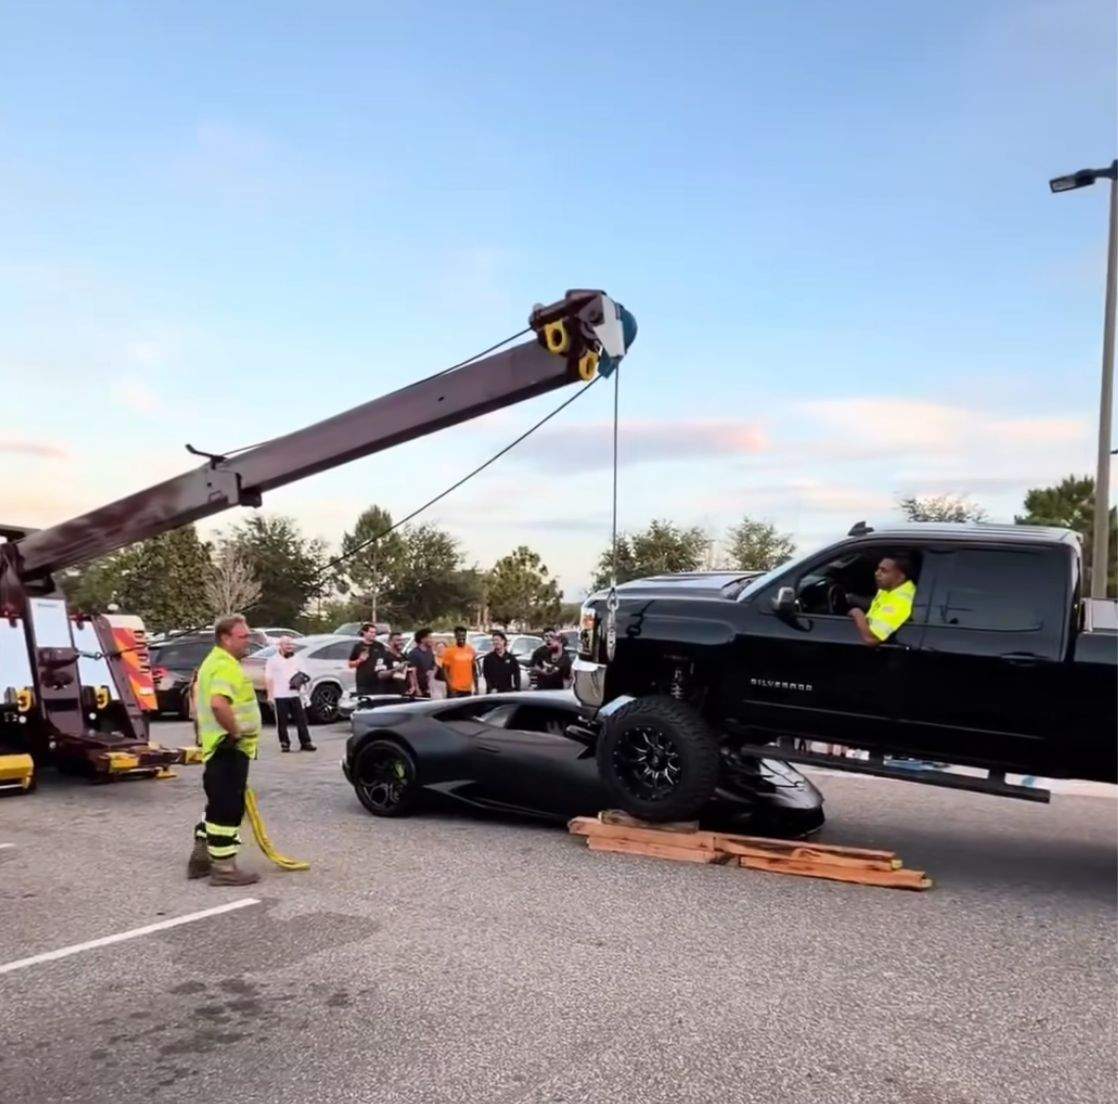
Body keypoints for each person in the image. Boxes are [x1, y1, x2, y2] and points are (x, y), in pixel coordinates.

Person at [187, 614, 263, 887]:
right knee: (228, 808)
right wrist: (236, 732)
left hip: (218, 747)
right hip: (229, 747)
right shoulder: (225, 665)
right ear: (226, 638)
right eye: (244, 637)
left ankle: (202, 854)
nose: (249, 641)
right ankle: (224, 869)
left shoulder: (214, 662)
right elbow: (219, 704)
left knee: (217, 800)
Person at [848, 555, 917, 647]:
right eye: (878, 569)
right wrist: (851, 598)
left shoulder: (900, 602)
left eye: (884, 571)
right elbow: (876, 603)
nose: (877, 573)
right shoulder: (890, 589)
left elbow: (872, 639)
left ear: (900, 577)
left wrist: (857, 613)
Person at [265, 636, 315, 753]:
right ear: (280, 645)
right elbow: (268, 678)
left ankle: (306, 742)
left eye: (291, 644)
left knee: (301, 720)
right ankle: (284, 743)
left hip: (295, 695)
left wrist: (299, 680)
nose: (290, 646)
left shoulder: (298, 659)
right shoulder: (272, 660)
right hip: (279, 695)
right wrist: (270, 695)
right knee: (282, 721)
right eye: (287, 644)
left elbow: (305, 674)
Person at [348, 623, 385, 699]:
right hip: (363, 682)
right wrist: (359, 660)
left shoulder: (379, 646)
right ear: (364, 633)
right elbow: (350, 664)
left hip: (377, 682)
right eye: (371, 632)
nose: (373, 634)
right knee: (364, 703)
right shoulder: (358, 646)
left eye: (375, 632)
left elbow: (385, 661)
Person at [441, 626, 478, 698]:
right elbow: (444, 671)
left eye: (463, 635)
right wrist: (450, 688)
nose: (461, 638)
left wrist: (476, 687)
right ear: (455, 636)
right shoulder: (449, 651)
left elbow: (474, 670)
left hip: (467, 689)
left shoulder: (471, 650)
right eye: (459, 636)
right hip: (454, 690)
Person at [407, 628, 437, 699]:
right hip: (419, 690)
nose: (432, 640)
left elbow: (432, 668)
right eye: (429, 637)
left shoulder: (429, 652)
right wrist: (417, 689)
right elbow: (412, 673)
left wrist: (431, 685)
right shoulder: (414, 653)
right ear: (422, 639)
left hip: (428, 688)